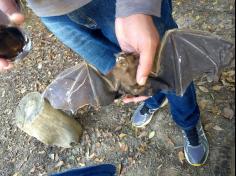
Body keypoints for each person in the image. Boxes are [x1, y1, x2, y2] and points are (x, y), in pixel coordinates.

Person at [0, 0, 209, 166]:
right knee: (127, 77)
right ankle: (156, 100)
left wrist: (136, 4)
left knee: (168, 65)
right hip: (55, 14)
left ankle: (189, 122)